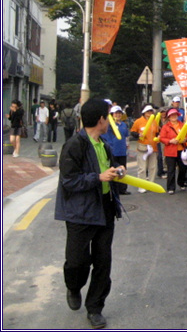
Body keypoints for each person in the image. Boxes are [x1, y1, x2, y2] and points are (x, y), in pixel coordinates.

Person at [54, 98, 125, 329]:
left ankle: (95, 308)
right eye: (108, 115)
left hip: (104, 208)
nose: (111, 119)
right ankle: (74, 287)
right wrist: (98, 177)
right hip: (80, 213)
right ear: (101, 120)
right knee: (77, 262)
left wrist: (117, 171)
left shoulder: (103, 144)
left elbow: (110, 167)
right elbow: (68, 181)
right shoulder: (75, 145)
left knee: (103, 262)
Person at [129, 105, 159, 193]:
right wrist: (138, 135)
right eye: (148, 112)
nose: (150, 113)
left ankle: (151, 184)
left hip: (153, 147)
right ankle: (141, 185)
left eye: (151, 111)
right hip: (143, 147)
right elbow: (133, 132)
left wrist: (158, 137)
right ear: (144, 113)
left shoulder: (154, 121)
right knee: (142, 167)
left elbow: (156, 132)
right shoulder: (138, 121)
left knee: (153, 167)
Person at [101, 106, 131, 195]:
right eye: (116, 113)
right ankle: (114, 189)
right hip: (112, 151)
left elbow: (126, 136)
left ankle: (123, 189)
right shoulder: (109, 125)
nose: (118, 115)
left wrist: (127, 145)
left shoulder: (123, 125)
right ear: (112, 114)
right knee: (113, 170)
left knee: (123, 169)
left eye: (119, 113)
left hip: (122, 151)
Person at [159, 108, 187, 195]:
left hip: (181, 150)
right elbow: (162, 138)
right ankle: (171, 187)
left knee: (183, 168)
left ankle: (181, 182)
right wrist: (170, 141)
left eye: (175, 115)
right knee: (171, 170)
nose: (173, 116)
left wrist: (185, 139)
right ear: (169, 117)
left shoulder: (182, 125)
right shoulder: (165, 127)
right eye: (172, 115)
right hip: (170, 151)